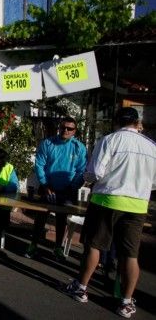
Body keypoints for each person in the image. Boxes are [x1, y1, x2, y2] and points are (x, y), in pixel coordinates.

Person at [63, 107, 156, 318]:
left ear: (117, 122)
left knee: (94, 245)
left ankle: (81, 288)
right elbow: (154, 182)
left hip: (107, 199)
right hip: (137, 205)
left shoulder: (109, 140)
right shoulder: (152, 146)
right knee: (130, 254)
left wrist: (87, 178)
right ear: (136, 123)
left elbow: (95, 172)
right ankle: (125, 302)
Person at [24, 116, 87, 260]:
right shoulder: (47, 143)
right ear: (59, 128)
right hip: (47, 187)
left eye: (70, 128)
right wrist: (45, 184)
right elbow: (39, 164)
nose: (66, 130)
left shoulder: (79, 147)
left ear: (74, 131)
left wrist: (72, 187)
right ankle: (33, 244)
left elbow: (81, 171)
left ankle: (58, 247)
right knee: (41, 216)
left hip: (68, 189)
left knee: (61, 218)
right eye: (63, 127)